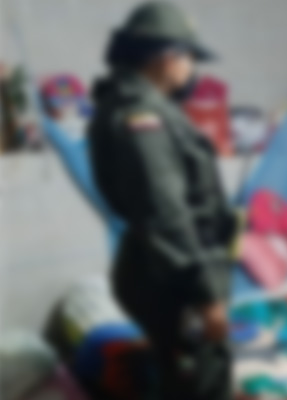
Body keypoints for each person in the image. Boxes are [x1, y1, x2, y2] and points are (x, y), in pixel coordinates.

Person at [88, 2, 237, 400]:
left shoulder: (137, 105)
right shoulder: (142, 118)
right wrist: (206, 296)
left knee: (182, 371)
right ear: (167, 57)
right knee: (202, 379)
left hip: (162, 268)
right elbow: (165, 214)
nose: (192, 68)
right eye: (190, 57)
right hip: (172, 278)